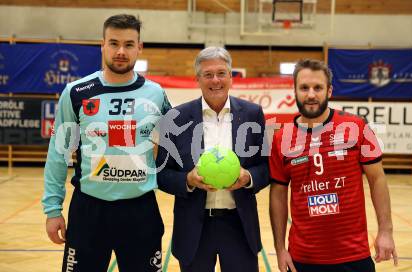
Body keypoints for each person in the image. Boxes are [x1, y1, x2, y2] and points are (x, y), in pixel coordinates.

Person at [42, 14, 171, 272]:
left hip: (140, 210)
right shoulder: (76, 92)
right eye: (113, 43)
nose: (121, 51)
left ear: (139, 47)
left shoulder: (156, 94)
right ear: (102, 45)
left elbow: (177, 143)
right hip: (89, 210)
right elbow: (58, 154)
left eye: (128, 44)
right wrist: (53, 209)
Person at [269, 59, 398, 272]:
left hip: (353, 255)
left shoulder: (356, 127)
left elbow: (377, 179)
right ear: (294, 91)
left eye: (318, 87)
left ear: (329, 91)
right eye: (304, 88)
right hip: (302, 258)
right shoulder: (281, 138)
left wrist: (386, 231)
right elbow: (278, 194)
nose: (311, 94)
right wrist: (279, 248)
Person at [156, 46, 269, 272]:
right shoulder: (176, 118)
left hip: (239, 226)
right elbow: (162, 175)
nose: (215, 80)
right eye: (208, 74)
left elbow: (266, 167)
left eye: (221, 73)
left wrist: (248, 177)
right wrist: (187, 180)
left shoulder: (252, 114)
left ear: (230, 76)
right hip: (194, 230)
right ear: (197, 79)